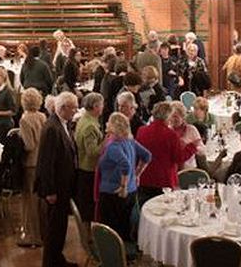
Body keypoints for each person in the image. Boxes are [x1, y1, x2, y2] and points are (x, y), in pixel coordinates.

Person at [35, 92, 79, 267]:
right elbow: (46, 163)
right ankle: (51, 262)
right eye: (73, 108)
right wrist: (50, 191)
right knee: (54, 229)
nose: (75, 111)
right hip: (56, 188)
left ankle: (57, 259)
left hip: (63, 185)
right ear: (62, 108)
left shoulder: (62, 124)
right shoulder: (53, 128)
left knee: (60, 228)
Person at [95, 112, 151, 242]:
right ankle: (125, 255)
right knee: (125, 226)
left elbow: (125, 165)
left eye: (109, 121)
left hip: (114, 193)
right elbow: (147, 156)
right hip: (130, 191)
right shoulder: (130, 141)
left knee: (112, 230)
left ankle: (113, 257)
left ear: (114, 126)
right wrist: (137, 174)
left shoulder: (114, 146)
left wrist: (123, 185)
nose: (106, 123)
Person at [136, 101, 199, 201]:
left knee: (147, 207)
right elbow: (179, 158)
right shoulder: (170, 135)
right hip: (164, 180)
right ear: (168, 117)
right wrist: (192, 147)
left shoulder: (141, 130)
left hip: (145, 178)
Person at [17, 88, 46, 248]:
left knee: (30, 201)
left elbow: (29, 145)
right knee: (39, 200)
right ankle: (41, 232)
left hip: (30, 163)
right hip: (41, 160)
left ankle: (33, 236)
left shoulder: (25, 120)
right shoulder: (42, 116)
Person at [73, 93, 105, 223]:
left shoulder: (84, 119)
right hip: (88, 169)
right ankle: (89, 237)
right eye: (102, 105)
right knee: (89, 206)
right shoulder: (90, 125)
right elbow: (92, 152)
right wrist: (106, 141)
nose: (103, 107)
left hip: (84, 166)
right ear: (96, 106)